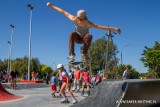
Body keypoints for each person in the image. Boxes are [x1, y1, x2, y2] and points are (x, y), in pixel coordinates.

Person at [47, 2, 121, 62]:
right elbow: (63, 11)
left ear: (85, 18)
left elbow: (101, 27)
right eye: (80, 20)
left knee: (90, 35)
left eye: (84, 20)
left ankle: (84, 54)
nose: (82, 21)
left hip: (84, 39)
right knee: (71, 33)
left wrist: (114, 28)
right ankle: (71, 55)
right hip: (77, 38)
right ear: (78, 18)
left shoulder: (88, 23)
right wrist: (52, 6)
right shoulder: (73, 18)